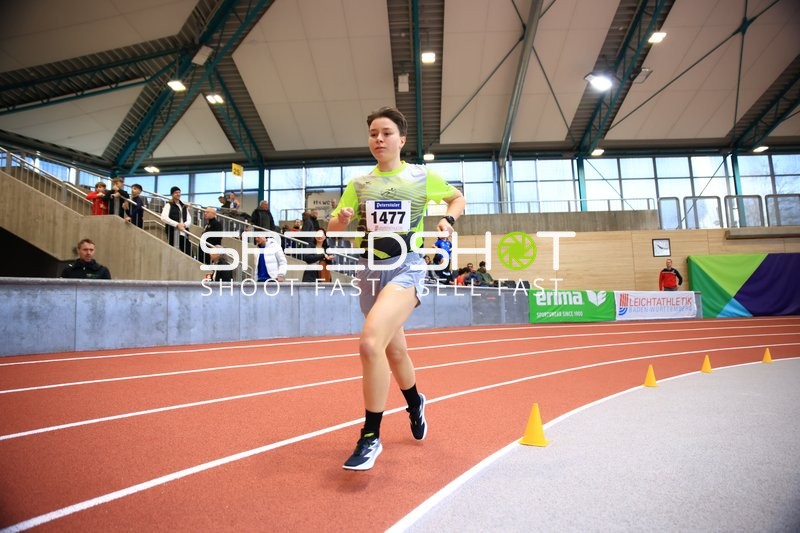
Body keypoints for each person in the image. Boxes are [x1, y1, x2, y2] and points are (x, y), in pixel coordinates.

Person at [328, 106, 465, 471]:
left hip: (407, 267)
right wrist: (339, 219)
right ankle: (416, 401)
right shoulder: (359, 184)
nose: (379, 139)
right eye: (373, 133)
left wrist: (448, 219)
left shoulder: (420, 177)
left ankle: (370, 436)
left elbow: (457, 197)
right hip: (369, 272)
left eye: (386, 133)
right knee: (395, 352)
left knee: (370, 342)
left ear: (401, 140)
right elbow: (332, 228)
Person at [160, 186, 192, 256]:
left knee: (189, 253)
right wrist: (177, 224)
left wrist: (184, 225)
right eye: (176, 193)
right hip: (173, 232)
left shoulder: (183, 206)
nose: (178, 194)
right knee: (174, 253)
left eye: (179, 192)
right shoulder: (168, 205)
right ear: (172, 194)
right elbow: (163, 217)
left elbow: (189, 219)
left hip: (184, 232)